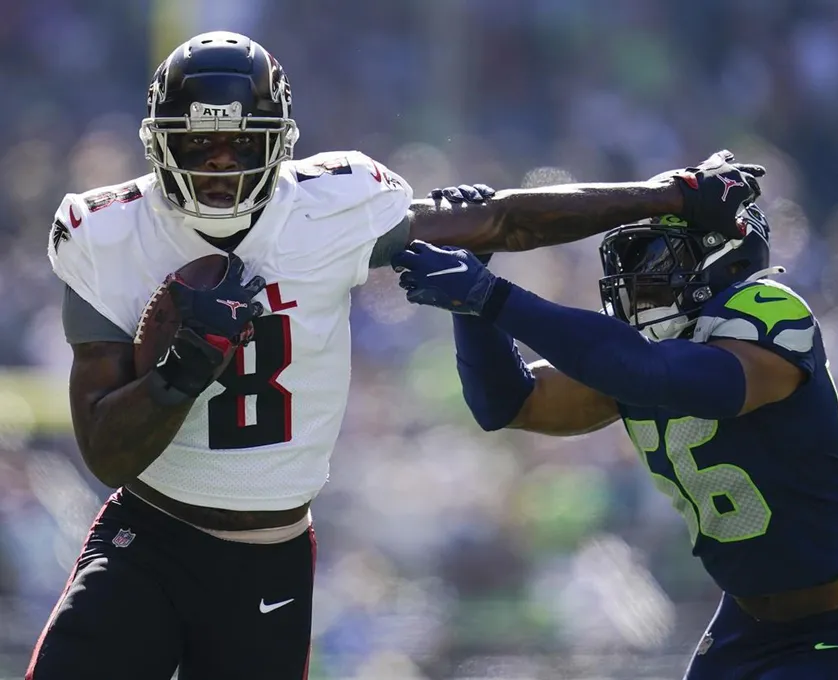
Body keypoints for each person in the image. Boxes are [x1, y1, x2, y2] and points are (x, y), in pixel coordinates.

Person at [31, 29, 764, 680]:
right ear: (160, 142)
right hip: (149, 535)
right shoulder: (106, 231)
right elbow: (105, 452)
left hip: (267, 553)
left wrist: (669, 194)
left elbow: (504, 219)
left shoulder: (333, 206)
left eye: (238, 143)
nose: (218, 164)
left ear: (278, 142)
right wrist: (181, 372)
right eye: (197, 143)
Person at [391, 191, 838, 678]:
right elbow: (506, 402)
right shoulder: (645, 353)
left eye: (655, 256)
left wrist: (493, 294)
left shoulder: (768, 310)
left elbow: (650, 372)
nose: (637, 277)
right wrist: (473, 303)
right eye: (630, 259)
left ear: (727, 260)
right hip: (746, 621)